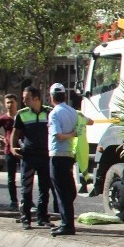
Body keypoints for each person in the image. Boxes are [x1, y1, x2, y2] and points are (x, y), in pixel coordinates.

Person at [12, 86, 54, 230]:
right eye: (23, 97)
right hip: (28, 156)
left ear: (36, 99)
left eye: (27, 98)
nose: (23, 100)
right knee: (26, 189)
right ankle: (26, 219)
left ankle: (42, 218)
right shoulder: (22, 114)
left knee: (44, 188)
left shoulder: (49, 112)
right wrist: (13, 147)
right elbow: (15, 133)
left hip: (45, 156)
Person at [47, 83, 79, 236]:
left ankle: (67, 224)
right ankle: (67, 221)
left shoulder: (54, 114)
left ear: (52, 97)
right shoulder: (73, 112)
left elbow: (58, 135)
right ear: (65, 96)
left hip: (57, 155)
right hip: (69, 155)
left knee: (61, 192)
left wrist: (70, 134)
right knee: (69, 190)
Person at [0, 93, 20, 211]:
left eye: (12, 102)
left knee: (25, 177)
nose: (10, 105)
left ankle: (27, 200)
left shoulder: (21, 115)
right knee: (11, 178)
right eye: (7, 102)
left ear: (16, 103)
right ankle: (13, 201)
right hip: (9, 150)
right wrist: (2, 138)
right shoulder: (3, 118)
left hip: (22, 150)